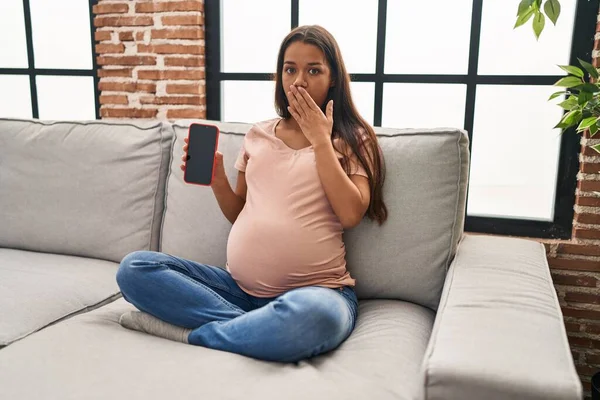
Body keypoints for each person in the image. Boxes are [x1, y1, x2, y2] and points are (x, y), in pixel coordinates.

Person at [116, 25, 388, 363]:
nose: (298, 81)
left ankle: (191, 333)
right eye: (290, 69)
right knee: (135, 269)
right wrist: (218, 182)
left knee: (315, 318)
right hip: (237, 291)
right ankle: (258, 330)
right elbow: (240, 212)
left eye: (313, 70)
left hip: (318, 292)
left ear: (333, 78)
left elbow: (350, 213)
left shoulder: (354, 139)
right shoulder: (258, 134)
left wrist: (321, 139)